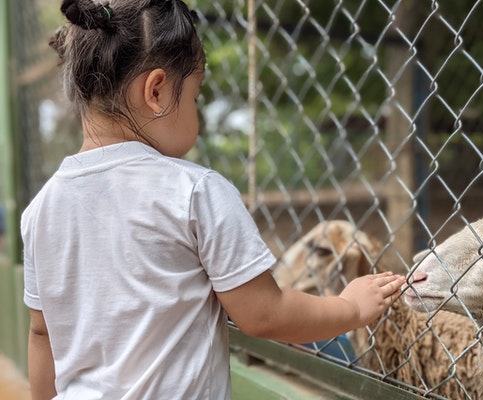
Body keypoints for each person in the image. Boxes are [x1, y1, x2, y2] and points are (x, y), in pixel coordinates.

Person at [21, 1, 404, 399]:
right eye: (194, 97)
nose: (197, 116)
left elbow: (41, 332)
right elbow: (264, 313)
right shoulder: (194, 191)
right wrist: (351, 309)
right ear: (156, 91)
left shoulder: (41, 209)